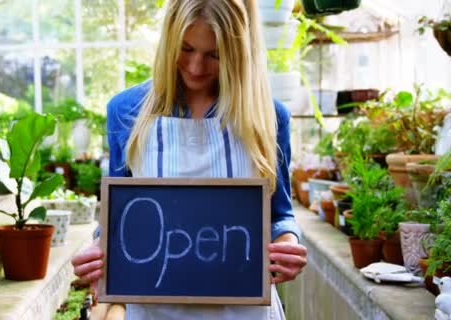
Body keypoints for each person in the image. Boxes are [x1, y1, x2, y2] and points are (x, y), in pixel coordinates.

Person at [71, 0, 307, 318]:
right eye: (186, 49)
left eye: (215, 55)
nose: (196, 67)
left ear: (238, 52)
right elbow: (119, 216)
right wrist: (98, 250)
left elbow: (279, 213)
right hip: (154, 312)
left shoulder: (268, 116)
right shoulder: (125, 111)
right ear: (168, 41)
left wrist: (288, 243)